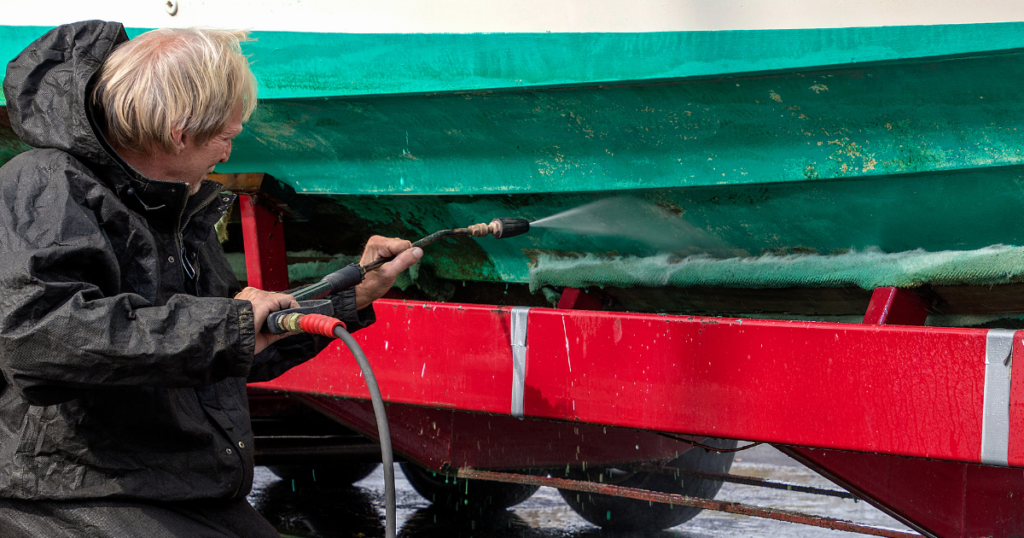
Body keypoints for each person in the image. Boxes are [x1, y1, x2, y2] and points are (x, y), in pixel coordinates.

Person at [0, 21, 421, 537]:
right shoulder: (45, 184)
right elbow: (38, 338)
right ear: (180, 131)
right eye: (226, 137)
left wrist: (350, 297)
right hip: (77, 490)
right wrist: (230, 327)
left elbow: (229, 337)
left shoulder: (171, 199)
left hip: (177, 485)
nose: (227, 154)